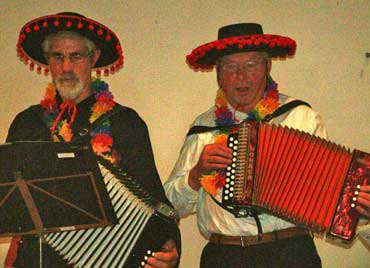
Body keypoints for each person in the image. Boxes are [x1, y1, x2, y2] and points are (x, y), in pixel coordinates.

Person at [164, 23, 370, 268]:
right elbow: (168, 205)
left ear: (268, 67)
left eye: (251, 65)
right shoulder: (203, 128)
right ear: (218, 73)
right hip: (223, 256)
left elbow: (329, 190)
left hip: (291, 254)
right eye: (230, 67)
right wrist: (196, 175)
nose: (241, 76)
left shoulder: (300, 116)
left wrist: (359, 210)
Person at [4, 12, 180, 268]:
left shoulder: (125, 123)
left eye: (75, 56)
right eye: (57, 56)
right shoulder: (27, 123)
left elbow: (155, 203)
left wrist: (168, 251)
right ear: (47, 61)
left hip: (108, 260)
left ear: (93, 58)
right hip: (38, 260)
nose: (66, 67)